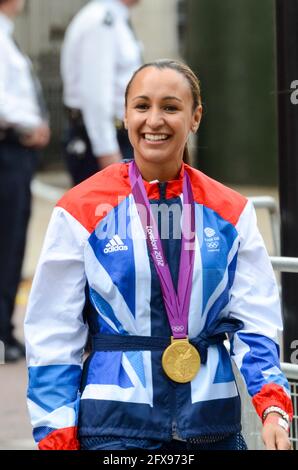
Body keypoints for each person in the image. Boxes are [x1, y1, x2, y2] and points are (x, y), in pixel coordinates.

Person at [25, 59, 293, 451]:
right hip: (113, 431)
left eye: (170, 107)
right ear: (125, 114)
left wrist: (273, 409)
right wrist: (55, 436)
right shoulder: (80, 209)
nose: (155, 120)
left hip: (212, 428)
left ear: (195, 116)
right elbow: (53, 332)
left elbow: (256, 322)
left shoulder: (231, 211)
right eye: (142, 106)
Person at [0, 0, 50, 363]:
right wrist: (27, 125)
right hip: (9, 147)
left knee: (12, 239)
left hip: (15, 148)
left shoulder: (7, 34)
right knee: (8, 239)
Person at [61, 0, 142, 186]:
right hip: (103, 142)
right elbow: (95, 94)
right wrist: (107, 151)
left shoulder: (115, 18)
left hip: (118, 136)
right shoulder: (101, 21)